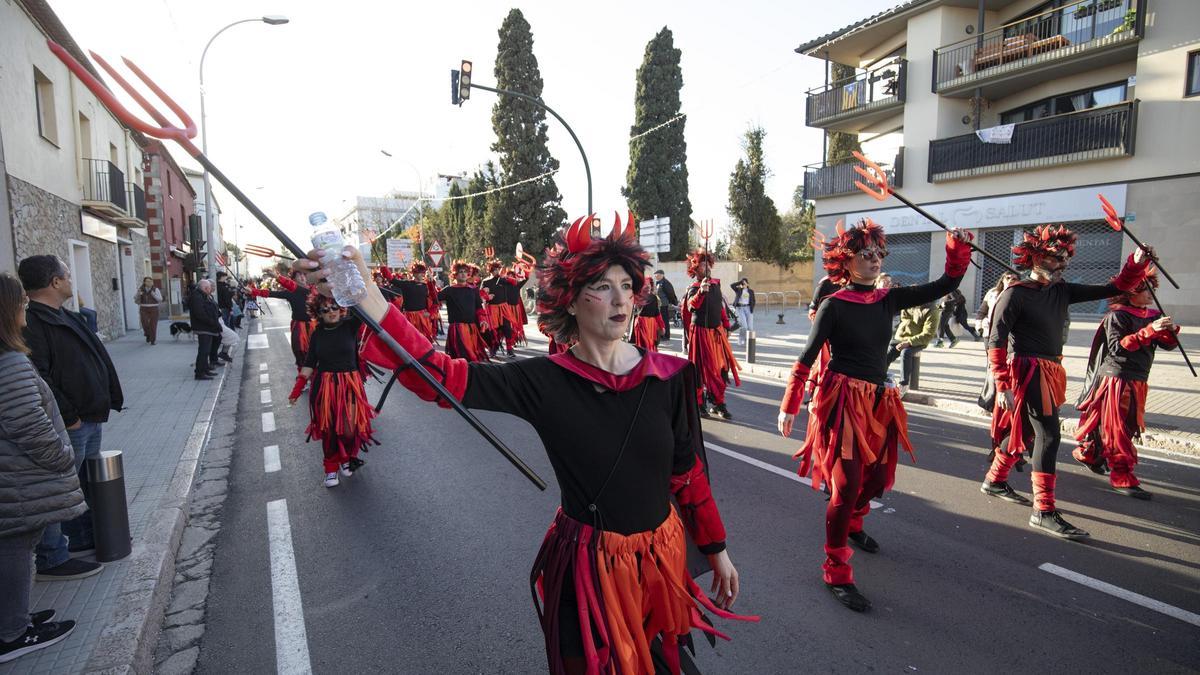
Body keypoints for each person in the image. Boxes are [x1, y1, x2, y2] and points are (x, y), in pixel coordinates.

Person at [294, 219, 753, 673]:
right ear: (570, 301)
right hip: (590, 575)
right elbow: (440, 376)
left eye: (626, 285)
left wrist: (717, 548)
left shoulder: (668, 376)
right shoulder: (543, 380)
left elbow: (686, 473)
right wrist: (364, 294)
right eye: (601, 286)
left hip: (660, 565)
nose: (620, 299)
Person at [777, 220, 974, 612]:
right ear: (846, 261)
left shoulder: (887, 299)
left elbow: (944, 285)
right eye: (866, 254)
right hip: (843, 401)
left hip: (881, 399)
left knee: (880, 478)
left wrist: (957, 248)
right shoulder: (833, 305)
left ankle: (852, 523)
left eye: (879, 254)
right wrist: (789, 404)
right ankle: (835, 569)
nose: (875, 260)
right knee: (846, 484)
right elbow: (807, 357)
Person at [981, 225, 1152, 539]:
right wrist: (1002, 383)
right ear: (1035, 258)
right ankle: (1043, 510)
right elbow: (996, 339)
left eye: (1065, 258)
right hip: (1027, 369)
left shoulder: (1062, 291)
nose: (1062, 263)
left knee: (1032, 431)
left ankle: (994, 479)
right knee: (1049, 434)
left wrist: (1137, 262)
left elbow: (1115, 286)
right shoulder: (1015, 293)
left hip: (1051, 370)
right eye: (1055, 258)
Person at [17, 255, 122, 580]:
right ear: (55, 282)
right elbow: (41, 376)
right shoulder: (34, 323)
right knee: (60, 488)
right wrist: (70, 416)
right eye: (67, 274)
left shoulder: (64, 316)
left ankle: (80, 538)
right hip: (71, 422)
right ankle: (52, 557)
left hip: (88, 417)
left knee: (83, 486)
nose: (71, 280)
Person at [0, 272, 85, 663]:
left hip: (14, 480)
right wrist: (63, 455)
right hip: (18, 482)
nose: (26, 308)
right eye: (20, 302)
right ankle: (13, 633)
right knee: (16, 551)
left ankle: (14, 618)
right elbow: (29, 426)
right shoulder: (10, 363)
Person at [1072, 271, 1178, 499]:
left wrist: (1168, 333)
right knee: (1118, 428)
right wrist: (1149, 331)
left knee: (1119, 425)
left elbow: (1168, 346)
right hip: (1117, 379)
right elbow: (1118, 347)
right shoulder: (1118, 316)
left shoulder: (1152, 315)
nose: (1152, 294)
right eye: (1147, 290)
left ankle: (1089, 454)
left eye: (1152, 289)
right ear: (1132, 292)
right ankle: (1121, 476)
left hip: (1139, 378)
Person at [287, 294, 377, 488]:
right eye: (325, 310)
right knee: (329, 431)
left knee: (349, 429)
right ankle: (330, 469)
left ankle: (346, 459)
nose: (331, 312)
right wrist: (296, 390)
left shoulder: (351, 325)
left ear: (341, 308)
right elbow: (309, 363)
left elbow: (363, 303)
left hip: (350, 385)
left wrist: (337, 284)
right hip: (325, 387)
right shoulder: (317, 334)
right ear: (318, 314)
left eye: (334, 307)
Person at [681, 250, 740, 420]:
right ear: (695, 269)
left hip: (716, 334)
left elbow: (720, 308)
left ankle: (718, 403)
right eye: (701, 265)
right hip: (699, 334)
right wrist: (701, 291)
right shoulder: (693, 288)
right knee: (698, 371)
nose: (706, 267)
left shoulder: (715, 285)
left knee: (720, 370)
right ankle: (699, 404)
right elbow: (692, 306)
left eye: (707, 264)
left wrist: (726, 325)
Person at [249, 272, 315, 370]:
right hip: (299, 326)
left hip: (315, 325)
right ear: (293, 279)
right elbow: (271, 293)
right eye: (299, 275)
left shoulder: (314, 290)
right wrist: (252, 291)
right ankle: (304, 376)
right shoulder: (290, 292)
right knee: (300, 351)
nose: (302, 276)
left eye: (304, 274)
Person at [885, 295, 940, 397]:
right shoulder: (909, 303)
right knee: (887, 354)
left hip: (918, 340)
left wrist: (909, 342)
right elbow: (904, 319)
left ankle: (903, 384)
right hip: (901, 337)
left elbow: (928, 334)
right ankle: (878, 377)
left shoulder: (932, 310)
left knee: (906, 352)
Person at [438, 261, 491, 362]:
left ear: (468, 274)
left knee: (472, 356)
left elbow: (479, 308)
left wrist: (482, 320)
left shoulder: (473, 289)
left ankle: (470, 375)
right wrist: (430, 283)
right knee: (461, 356)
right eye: (460, 272)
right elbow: (434, 299)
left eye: (465, 272)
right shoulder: (449, 290)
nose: (463, 273)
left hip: (471, 328)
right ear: (455, 275)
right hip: (457, 328)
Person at [188, 280, 222, 381]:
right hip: (203, 327)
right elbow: (200, 314)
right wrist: (212, 322)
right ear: (205, 288)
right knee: (204, 351)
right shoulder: (197, 297)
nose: (210, 289)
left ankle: (205, 369)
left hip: (207, 327)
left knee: (206, 350)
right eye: (209, 288)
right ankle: (200, 373)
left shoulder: (202, 295)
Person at [976, 272, 1020, 340]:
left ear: (1018, 281)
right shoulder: (992, 293)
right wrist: (979, 326)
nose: (1010, 280)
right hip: (990, 331)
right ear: (1002, 279)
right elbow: (982, 311)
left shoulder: (1021, 295)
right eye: (1007, 278)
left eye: (1014, 279)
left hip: (1011, 334)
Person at [134, 277, 162, 344]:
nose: (149, 283)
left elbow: (160, 299)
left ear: (152, 282)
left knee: (153, 325)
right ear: (144, 282)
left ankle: (153, 340)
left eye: (151, 281)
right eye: (147, 281)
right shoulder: (141, 289)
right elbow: (135, 299)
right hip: (143, 309)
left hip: (154, 309)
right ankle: (148, 334)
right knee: (145, 324)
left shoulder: (156, 289)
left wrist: (153, 294)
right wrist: (139, 294)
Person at [653, 270, 678, 344]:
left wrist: (671, 303)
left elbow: (670, 294)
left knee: (665, 320)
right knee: (661, 321)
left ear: (662, 275)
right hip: (660, 305)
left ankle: (666, 336)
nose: (655, 276)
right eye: (655, 275)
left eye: (656, 275)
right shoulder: (659, 282)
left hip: (664, 305)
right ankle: (662, 335)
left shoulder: (665, 283)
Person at [730, 278, 756, 345]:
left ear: (748, 284)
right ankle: (741, 339)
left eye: (745, 283)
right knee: (744, 326)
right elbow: (732, 285)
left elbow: (753, 300)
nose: (744, 284)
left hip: (748, 308)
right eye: (743, 283)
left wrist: (752, 307)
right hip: (740, 308)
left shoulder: (751, 291)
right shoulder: (738, 290)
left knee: (750, 327)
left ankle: (749, 341)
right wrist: (740, 282)